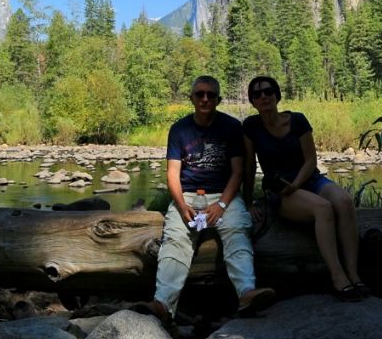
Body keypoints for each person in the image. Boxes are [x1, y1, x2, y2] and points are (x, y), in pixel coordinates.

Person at [145, 75, 276, 321]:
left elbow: (238, 171)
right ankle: (163, 304)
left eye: (211, 95)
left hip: (222, 196)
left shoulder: (230, 127)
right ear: (192, 98)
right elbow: (172, 174)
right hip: (188, 196)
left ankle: (247, 293)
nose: (205, 99)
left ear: (218, 99)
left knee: (237, 230)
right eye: (200, 94)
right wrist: (182, 207)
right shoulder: (180, 129)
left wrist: (223, 205)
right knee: (176, 239)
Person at [242, 75, 367, 302]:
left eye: (268, 91)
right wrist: (248, 201)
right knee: (323, 208)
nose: (263, 96)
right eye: (257, 94)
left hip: (308, 180)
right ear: (252, 101)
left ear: (277, 95)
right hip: (279, 190)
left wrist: (297, 184)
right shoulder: (251, 127)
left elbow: (311, 160)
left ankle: (354, 272)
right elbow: (249, 167)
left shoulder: (297, 120)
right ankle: (338, 277)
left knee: (344, 201)